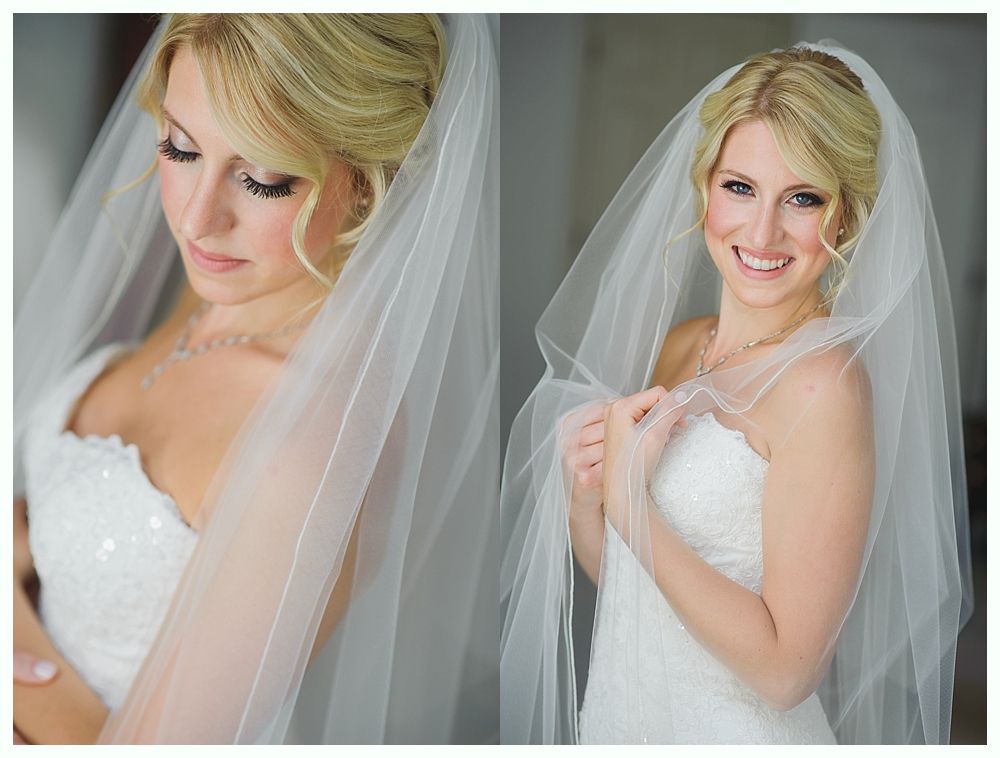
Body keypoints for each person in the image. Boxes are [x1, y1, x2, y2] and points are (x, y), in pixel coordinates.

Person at [14, 13, 498, 744]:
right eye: (179, 147)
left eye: (263, 179)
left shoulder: (310, 442)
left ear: (370, 182)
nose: (197, 218)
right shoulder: (223, 290)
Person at [500, 42, 971, 744]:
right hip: (625, 718)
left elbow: (787, 670)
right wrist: (587, 502)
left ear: (844, 216)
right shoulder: (685, 345)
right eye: (740, 188)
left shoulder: (824, 386)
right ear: (705, 189)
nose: (762, 231)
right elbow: (637, 590)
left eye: (803, 198)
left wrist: (630, 502)